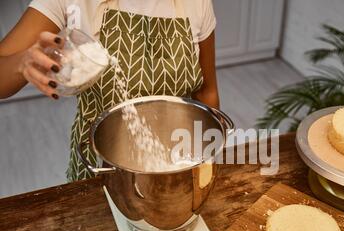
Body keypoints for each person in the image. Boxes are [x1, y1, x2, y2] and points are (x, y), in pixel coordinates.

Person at [0, 0, 219, 181]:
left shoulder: (196, 3)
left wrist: (208, 162)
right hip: (99, 165)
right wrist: (23, 61)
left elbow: (206, 93)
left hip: (178, 165)